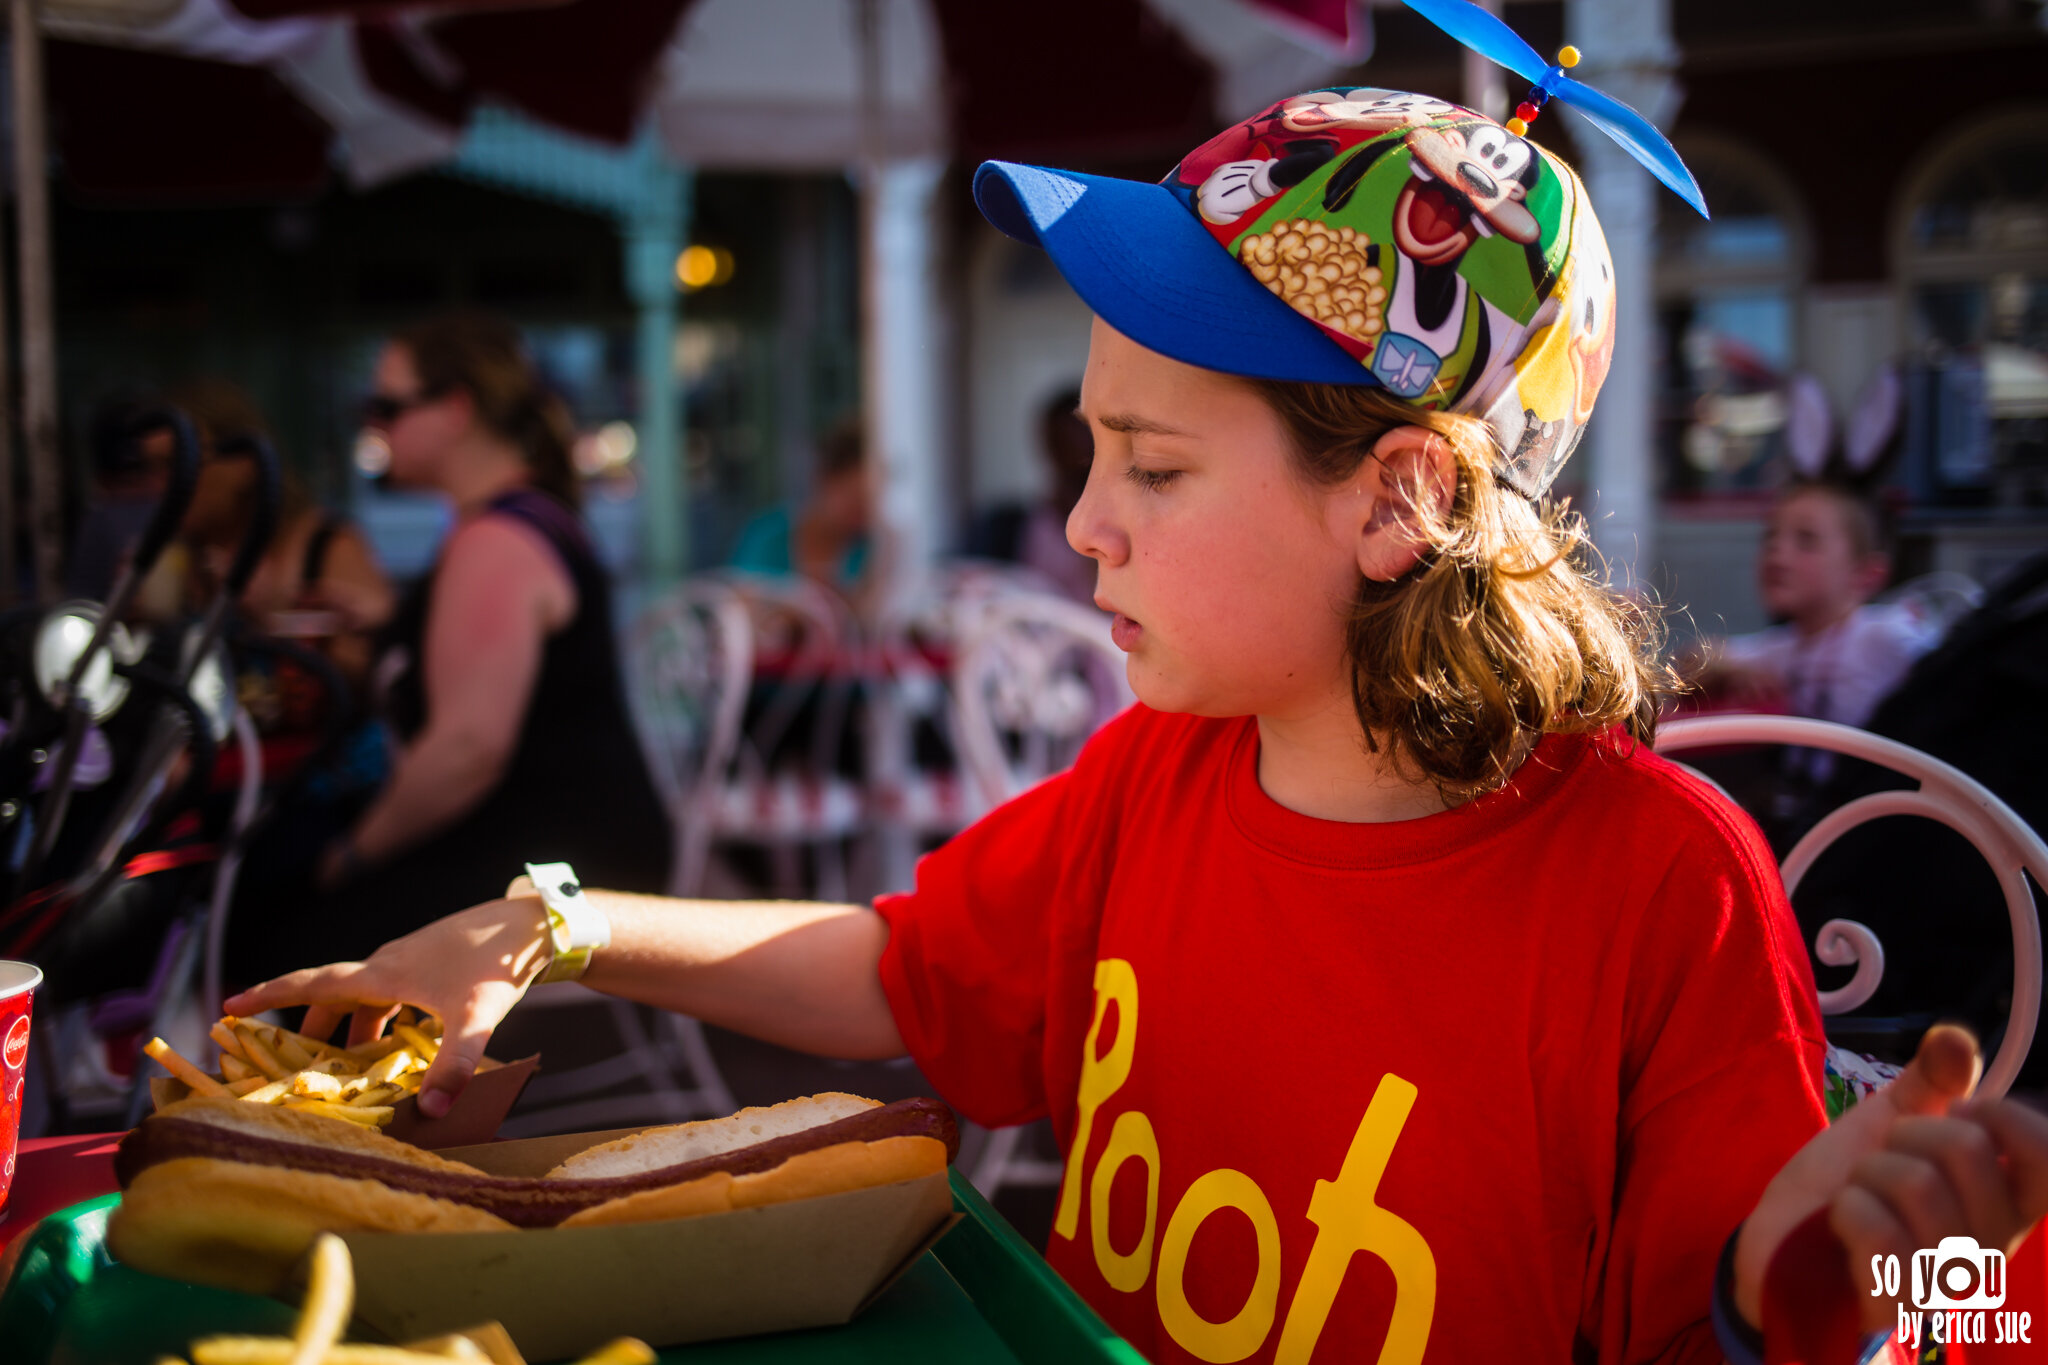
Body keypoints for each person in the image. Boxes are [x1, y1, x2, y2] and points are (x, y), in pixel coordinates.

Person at [229, 93, 2046, 1360]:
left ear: (1397, 502)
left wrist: (1850, 1242)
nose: (1085, 522)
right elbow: (897, 967)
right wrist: (558, 925)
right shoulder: (1156, 772)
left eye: (1153, 465)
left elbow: (1737, 1299)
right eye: (1092, 447)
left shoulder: (1657, 883)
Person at [225, 312, 670, 983]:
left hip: (564, 873)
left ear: (455, 408)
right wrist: (387, 625)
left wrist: (350, 854)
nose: (373, 425)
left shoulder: (494, 543)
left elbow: (468, 751)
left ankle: (335, 1086)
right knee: (283, 882)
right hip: (576, 848)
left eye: (386, 407)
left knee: (286, 923)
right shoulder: (519, 519)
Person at [1692, 480, 1936, 731]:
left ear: (1866, 574)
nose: (1777, 550)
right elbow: (1693, 657)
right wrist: (1728, 671)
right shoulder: (1785, 648)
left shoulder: (1881, 636)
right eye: (1770, 536)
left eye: (1806, 540)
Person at [965, 386, 1096, 602]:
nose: (1070, 448)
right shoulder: (1026, 525)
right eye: (1058, 439)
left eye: (1078, 434)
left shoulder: (1113, 521)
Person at [729, 418, 879, 606]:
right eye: (855, 498)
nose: (864, 513)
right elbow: (739, 608)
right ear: (825, 479)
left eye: (872, 503)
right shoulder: (768, 536)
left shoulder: (868, 549)